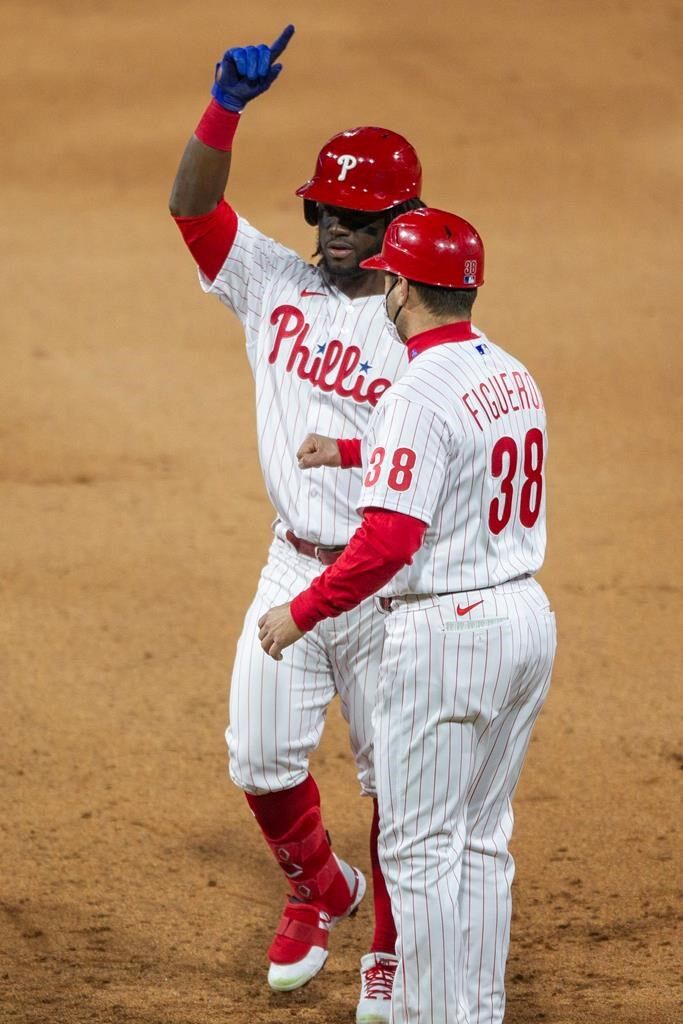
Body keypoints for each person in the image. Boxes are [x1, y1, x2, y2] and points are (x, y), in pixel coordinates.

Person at [168, 24, 428, 1022]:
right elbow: (192, 208)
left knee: (397, 791)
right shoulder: (271, 281)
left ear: (400, 225)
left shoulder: (425, 330)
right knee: (257, 759)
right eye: (326, 210)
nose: (335, 231)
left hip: (390, 584)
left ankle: (393, 964)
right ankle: (317, 890)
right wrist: (223, 107)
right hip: (292, 568)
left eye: (359, 219)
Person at [258, 207, 557, 1024]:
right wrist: (350, 450)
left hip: (448, 631)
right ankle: (476, 1012)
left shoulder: (414, 389)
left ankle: (429, 1017)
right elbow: (453, 454)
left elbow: (388, 538)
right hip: (525, 618)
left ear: (400, 285)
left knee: (418, 850)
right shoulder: (508, 370)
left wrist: (302, 611)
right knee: (482, 841)